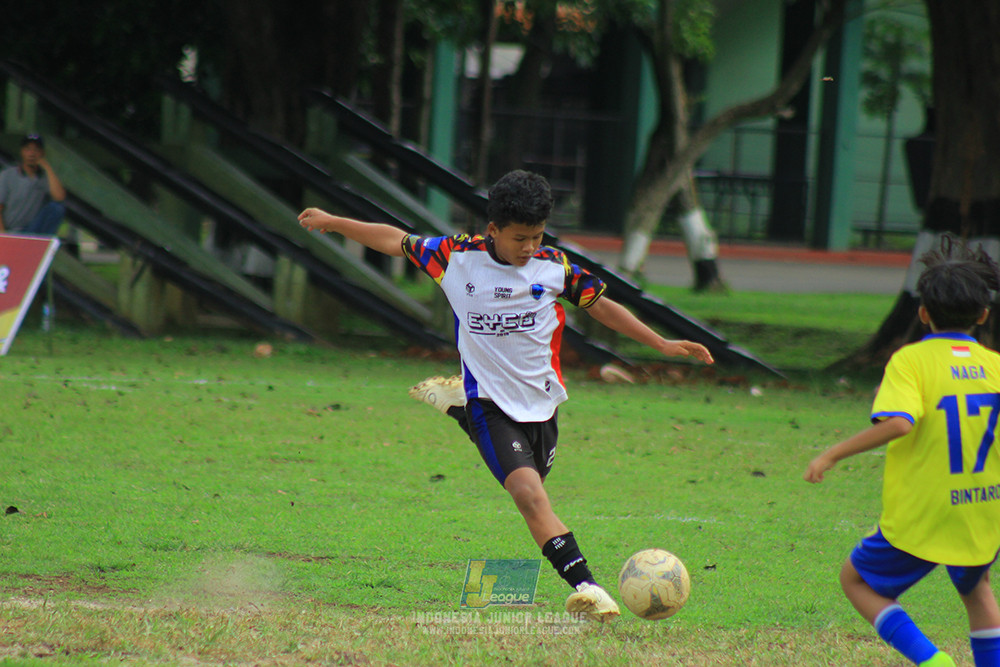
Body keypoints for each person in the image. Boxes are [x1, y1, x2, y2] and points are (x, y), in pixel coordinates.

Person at [300, 169, 714, 622]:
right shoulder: (455, 257)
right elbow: (395, 239)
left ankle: (457, 408)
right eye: (520, 238)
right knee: (529, 495)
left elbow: (602, 305)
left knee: (536, 482)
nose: (529, 247)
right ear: (492, 230)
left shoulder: (554, 267)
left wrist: (660, 343)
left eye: (537, 237)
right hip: (490, 404)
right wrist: (334, 221)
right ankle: (589, 589)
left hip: (541, 403)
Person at [804, 235, 1000, 667]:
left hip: (925, 509)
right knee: (977, 589)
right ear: (983, 314)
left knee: (856, 580)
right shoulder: (995, 365)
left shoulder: (910, 361)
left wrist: (832, 453)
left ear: (923, 313)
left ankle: (930, 660)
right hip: (983, 506)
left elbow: (899, 422)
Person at [0, 134, 67, 235]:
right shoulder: (7, 175)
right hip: (11, 230)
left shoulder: (44, 177)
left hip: (32, 229)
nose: (32, 153)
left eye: (36, 150)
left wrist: (47, 167)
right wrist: (3, 236)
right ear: (22, 152)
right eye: (28, 149)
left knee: (56, 208)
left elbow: (59, 197)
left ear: (42, 153)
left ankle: (43, 242)